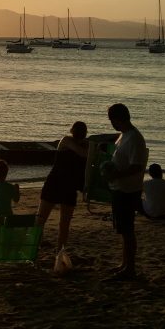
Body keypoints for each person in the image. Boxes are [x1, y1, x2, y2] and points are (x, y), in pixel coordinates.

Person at [101, 103, 147, 281]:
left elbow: (137, 166)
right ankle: (124, 263)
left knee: (127, 230)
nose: (111, 123)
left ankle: (130, 268)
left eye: (111, 120)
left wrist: (117, 174)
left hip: (128, 190)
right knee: (123, 230)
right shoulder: (124, 136)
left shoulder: (134, 138)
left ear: (118, 119)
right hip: (120, 188)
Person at [36, 121, 89, 251]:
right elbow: (82, 153)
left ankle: (60, 252)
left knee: (64, 224)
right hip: (55, 183)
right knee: (41, 219)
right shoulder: (66, 141)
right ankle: (35, 246)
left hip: (69, 187)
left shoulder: (82, 146)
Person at [0, 159, 20, 234]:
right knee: (8, 231)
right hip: (7, 212)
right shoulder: (10, 187)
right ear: (6, 172)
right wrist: (17, 190)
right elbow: (16, 200)